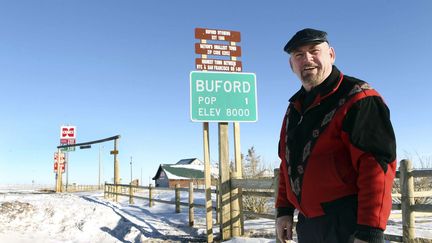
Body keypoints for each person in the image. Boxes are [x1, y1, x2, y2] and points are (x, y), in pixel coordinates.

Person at [275, 28, 396, 243]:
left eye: (314, 51)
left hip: (348, 227)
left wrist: (369, 231)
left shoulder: (359, 98)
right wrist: (284, 209)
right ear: (291, 64)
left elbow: (376, 166)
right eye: (299, 55)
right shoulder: (295, 108)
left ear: (331, 54)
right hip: (308, 225)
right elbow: (287, 162)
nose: (307, 59)